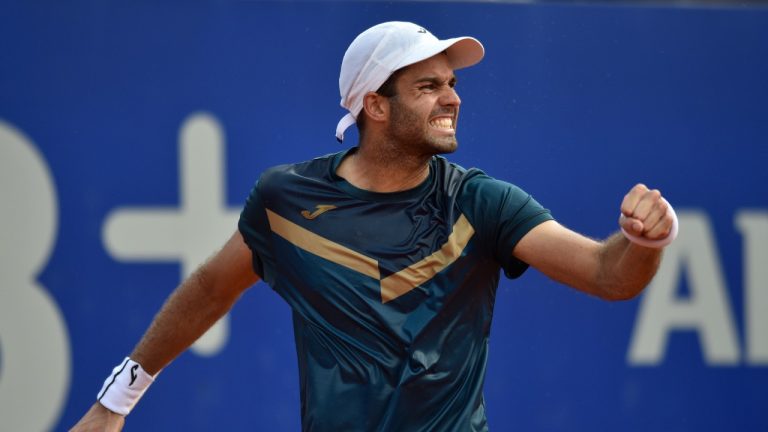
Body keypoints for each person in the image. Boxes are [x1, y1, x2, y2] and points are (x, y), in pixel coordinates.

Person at [71, 21, 677, 432]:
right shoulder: (286, 201)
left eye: (453, 83)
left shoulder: (481, 203)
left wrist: (645, 242)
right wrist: (116, 400)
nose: (452, 98)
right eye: (428, 86)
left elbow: (607, 274)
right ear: (375, 106)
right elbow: (210, 288)